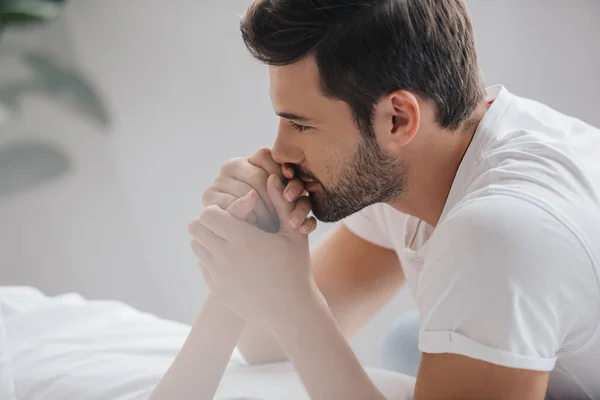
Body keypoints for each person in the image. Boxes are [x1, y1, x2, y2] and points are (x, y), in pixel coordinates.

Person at [151, 0, 600, 399]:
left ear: (398, 118)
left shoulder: (497, 234)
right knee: (409, 341)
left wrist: (293, 299)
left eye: (301, 125)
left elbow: (290, 322)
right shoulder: (421, 158)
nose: (279, 150)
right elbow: (266, 343)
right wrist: (249, 237)